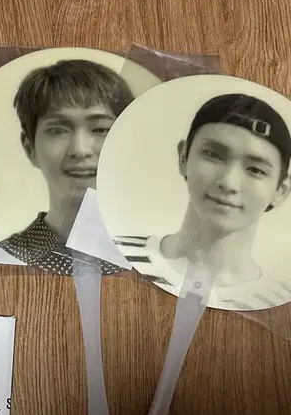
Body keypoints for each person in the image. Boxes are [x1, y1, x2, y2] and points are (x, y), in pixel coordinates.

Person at [114, 93, 291, 310]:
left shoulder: (280, 304)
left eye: (255, 169)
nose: (229, 183)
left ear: (280, 191)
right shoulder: (115, 254)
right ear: (183, 158)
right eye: (214, 155)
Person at [0, 59, 135, 275]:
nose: (80, 150)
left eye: (100, 129)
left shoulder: (156, 259)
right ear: (30, 148)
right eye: (58, 130)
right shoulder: (1, 259)